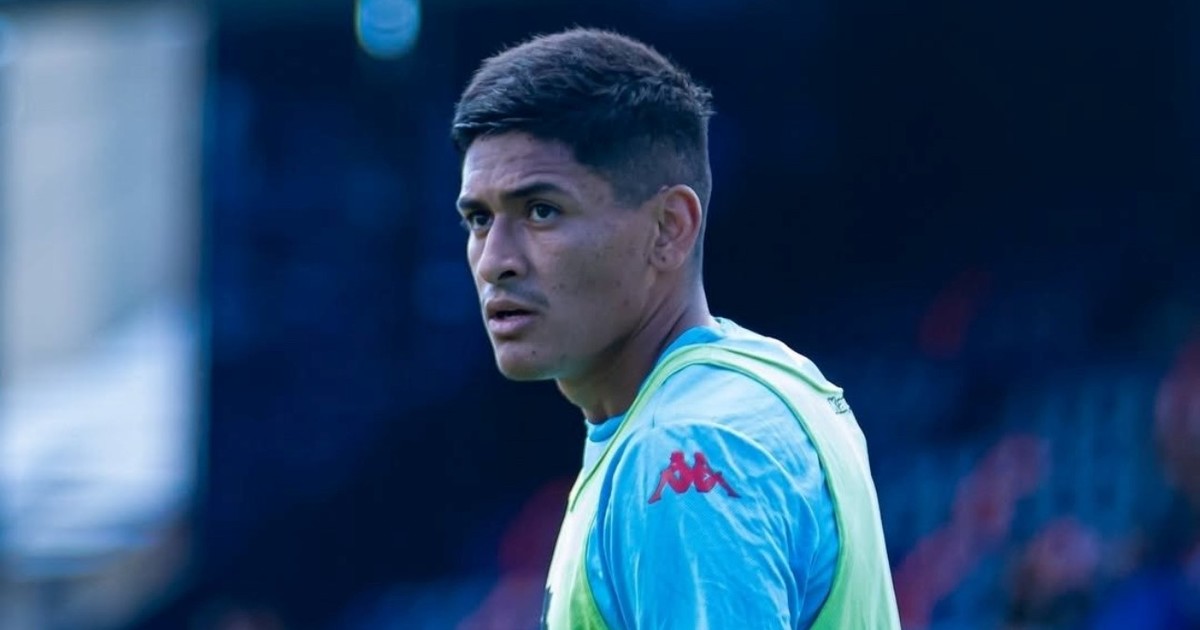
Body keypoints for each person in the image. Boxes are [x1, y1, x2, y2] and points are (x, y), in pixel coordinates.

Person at [451, 28, 899, 629]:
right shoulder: (773, 378)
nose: (493, 261)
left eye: (541, 210)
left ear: (669, 229)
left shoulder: (683, 447)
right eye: (479, 219)